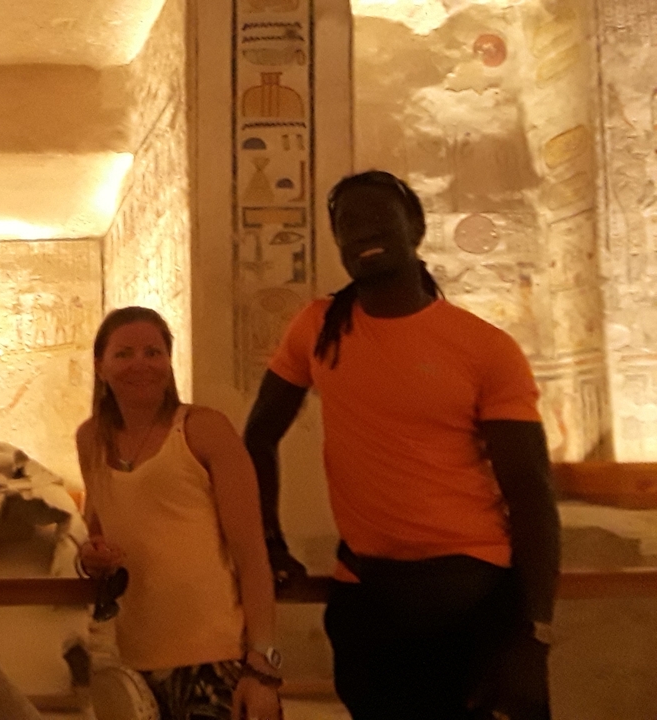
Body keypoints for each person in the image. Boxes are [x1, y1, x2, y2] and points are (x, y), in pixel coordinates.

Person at [242, 170, 560, 720]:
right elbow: (258, 436)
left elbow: (531, 493)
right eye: (347, 224)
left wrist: (533, 636)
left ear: (414, 226)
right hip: (370, 605)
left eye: (378, 216)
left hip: (474, 605)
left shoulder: (484, 347)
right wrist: (269, 540)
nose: (363, 231)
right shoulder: (318, 328)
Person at [76, 307, 282, 720]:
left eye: (153, 352)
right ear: (100, 366)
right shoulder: (91, 438)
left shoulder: (204, 429)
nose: (140, 364)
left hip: (218, 655)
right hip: (136, 656)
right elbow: (98, 530)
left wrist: (263, 666)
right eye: (124, 353)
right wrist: (91, 556)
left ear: (169, 363)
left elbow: (252, 555)